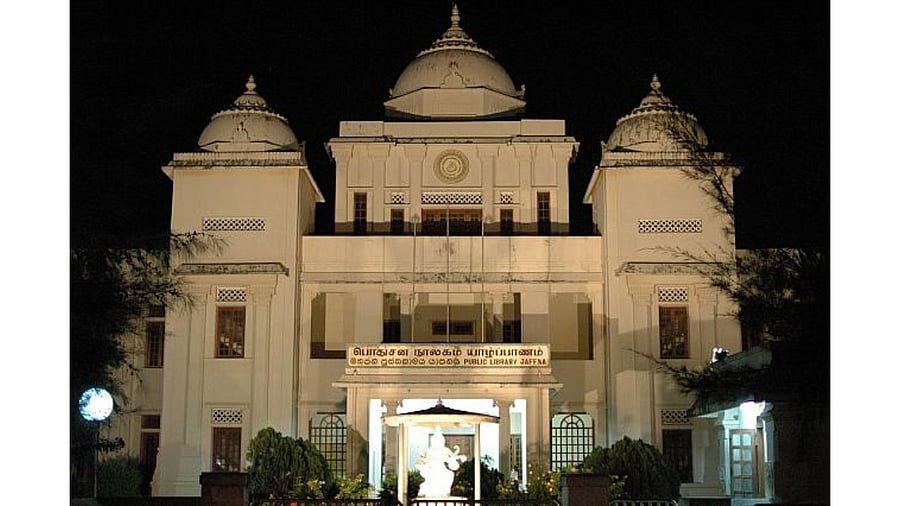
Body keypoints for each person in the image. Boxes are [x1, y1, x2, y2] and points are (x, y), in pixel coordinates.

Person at [415, 427, 466, 497]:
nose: (438, 442)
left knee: (449, 475)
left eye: (440, 440)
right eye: (436, 440)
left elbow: (452, 459)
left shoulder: (445, 449)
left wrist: (455, 459)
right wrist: (425, 461)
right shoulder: (430, 450)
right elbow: (426, 460)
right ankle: (430, 492)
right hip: (432, 469)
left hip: (442, 469)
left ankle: (445, 493)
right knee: (431, 478)